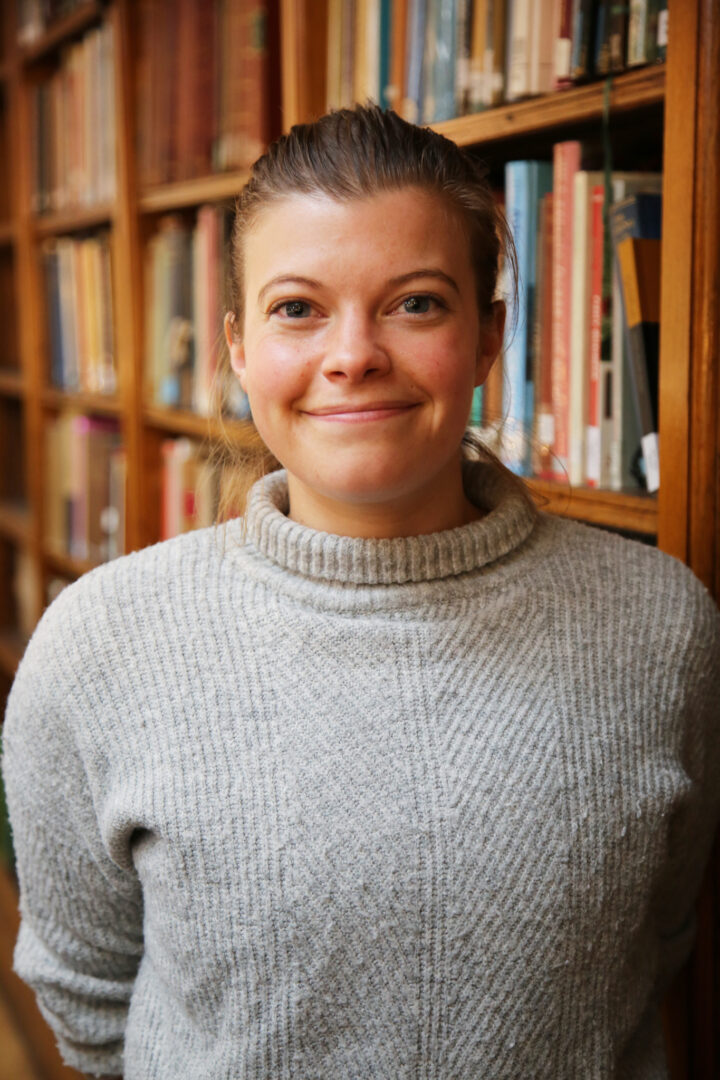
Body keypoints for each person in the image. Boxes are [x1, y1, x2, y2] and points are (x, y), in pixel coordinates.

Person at [3, 103, 720, 1080]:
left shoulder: (662, 625)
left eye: (416, 302)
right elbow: (88, 1002)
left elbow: (659, 939)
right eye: (298, 308)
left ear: (487, 336)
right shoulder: (99, 642)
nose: (353, 356)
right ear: (238, 346)